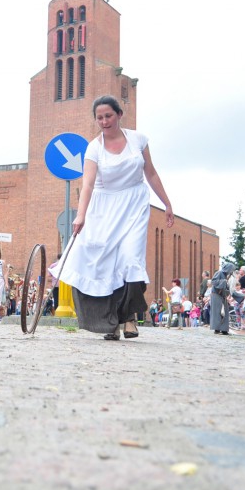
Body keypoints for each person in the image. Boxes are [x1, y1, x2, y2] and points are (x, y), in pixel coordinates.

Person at [56, 95, 174, 340]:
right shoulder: (94, 147)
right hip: (103, 206)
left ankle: (129, 318)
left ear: (119, 115)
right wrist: (80, 215)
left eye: (108, 115)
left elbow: (150, 173)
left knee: (131, 259)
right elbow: (87, 184)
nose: (104, 121)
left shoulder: (138, 140)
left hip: (134, 203)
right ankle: (109, 322)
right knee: (103, 262)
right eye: (99, 117)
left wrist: (167, 203)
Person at [209, 262, 235, 335]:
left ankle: (224, 329)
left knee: (225, 312)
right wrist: (224, 281)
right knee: (217, 312)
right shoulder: (219, 273)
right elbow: (213, 281)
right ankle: (217, 329)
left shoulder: (227, 275)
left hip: (223, 295)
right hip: (216, 294)